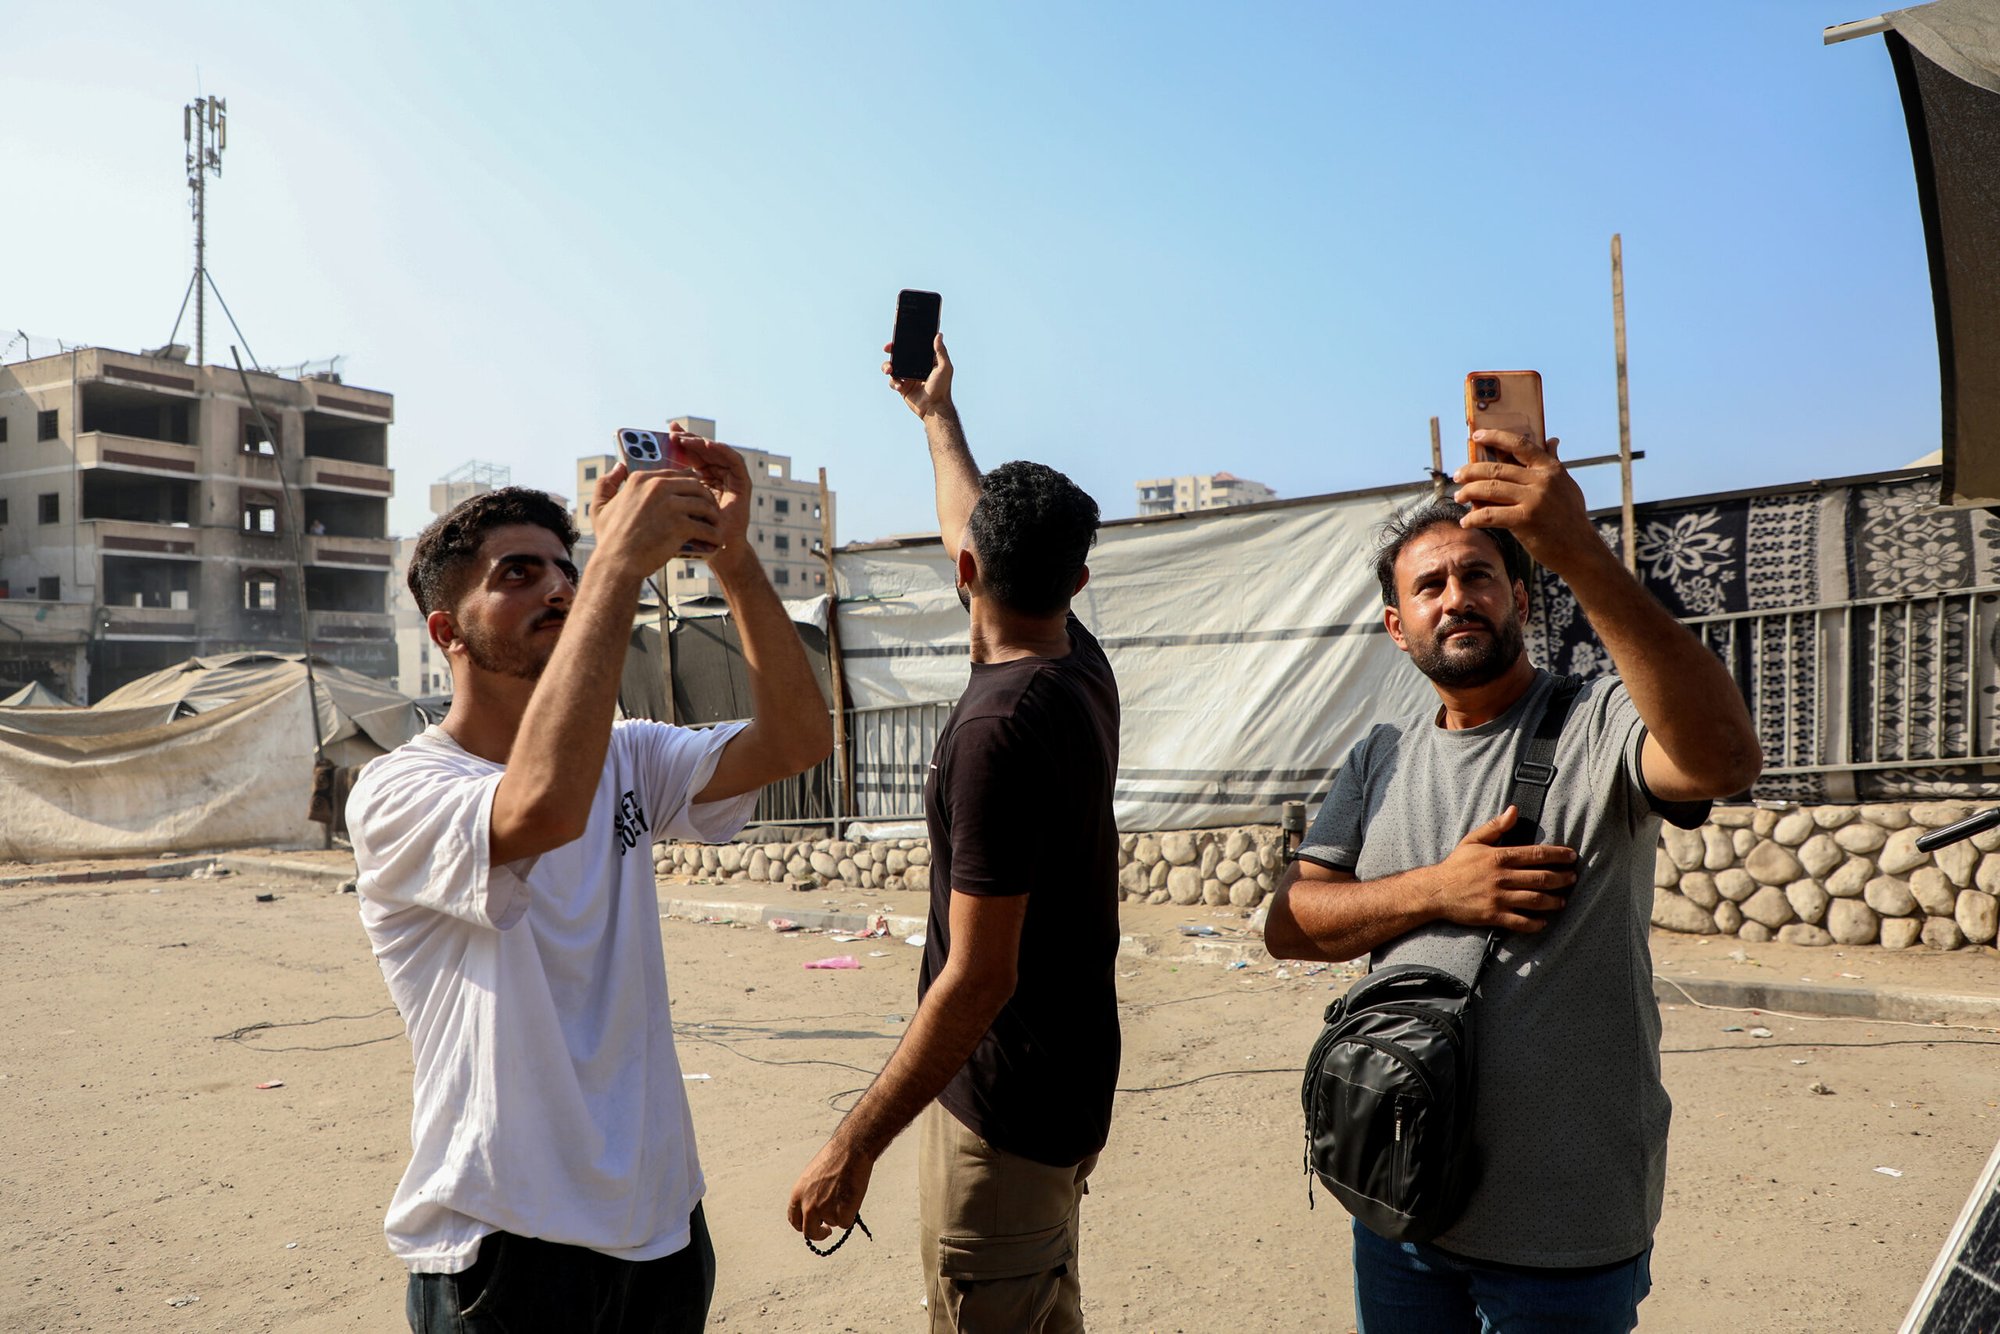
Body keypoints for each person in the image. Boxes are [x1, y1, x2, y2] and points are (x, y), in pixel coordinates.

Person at [1264, 428, 1763, 1333]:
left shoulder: (1598, 720)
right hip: (1398, 1205)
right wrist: (1438, 891)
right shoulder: (1378, 757)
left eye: (1479, 576)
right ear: (1396, 625)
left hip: (1563, 1231)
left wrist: (1581, 550)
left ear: (1522, 598)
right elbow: (1291, 924)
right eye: (1430, 586)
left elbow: (1725, 760)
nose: (1457, 598)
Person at [348, 431, 831, 1333]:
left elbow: (798, 740)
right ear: (446, 631)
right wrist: (615, 563)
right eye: (518, 575)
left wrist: (734, 561)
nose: (558, 587)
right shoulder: (400, 790)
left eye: (564, 569)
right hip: (510, 1244)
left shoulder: (627, 754)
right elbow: (540, 809)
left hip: (660, 1227)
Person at [787, 335, 1121, 1333]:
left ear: (967, 568)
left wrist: (853, 1143)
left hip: (1007, 1119)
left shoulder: (996, 731)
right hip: (1067, 1093)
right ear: (1076, 576)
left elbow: (978, 975)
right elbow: (965, 523)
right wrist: (934, 415)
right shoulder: (1078, 665)